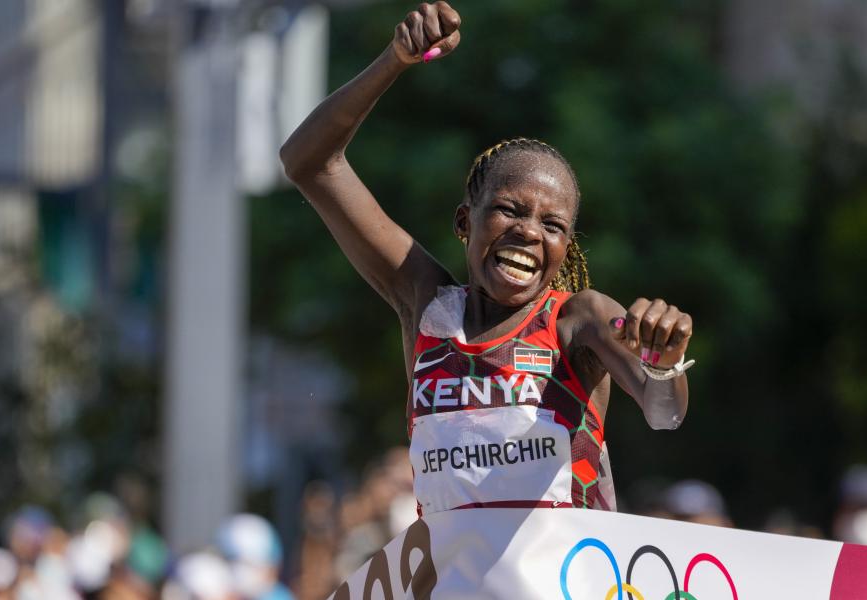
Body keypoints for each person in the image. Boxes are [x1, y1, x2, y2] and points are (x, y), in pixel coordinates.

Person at [280, 1, 694, 515]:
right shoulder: (427, 306)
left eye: (553, 225)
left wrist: (661, 364)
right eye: (508, 210)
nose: (528, 232)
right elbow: (308, 162)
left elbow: (665, 413)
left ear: (566, 246)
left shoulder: (579, 320)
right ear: (463, 223)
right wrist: (395, 59)